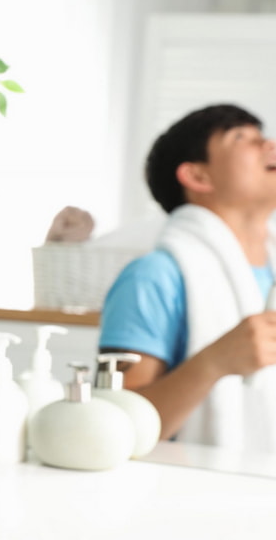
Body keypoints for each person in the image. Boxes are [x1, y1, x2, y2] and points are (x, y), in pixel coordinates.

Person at [99, 103, 276, 451]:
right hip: (187, 493)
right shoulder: (152, 277)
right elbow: (114, 429)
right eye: (244, 138)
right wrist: (213, 363)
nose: (269, 145)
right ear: (198, 177)